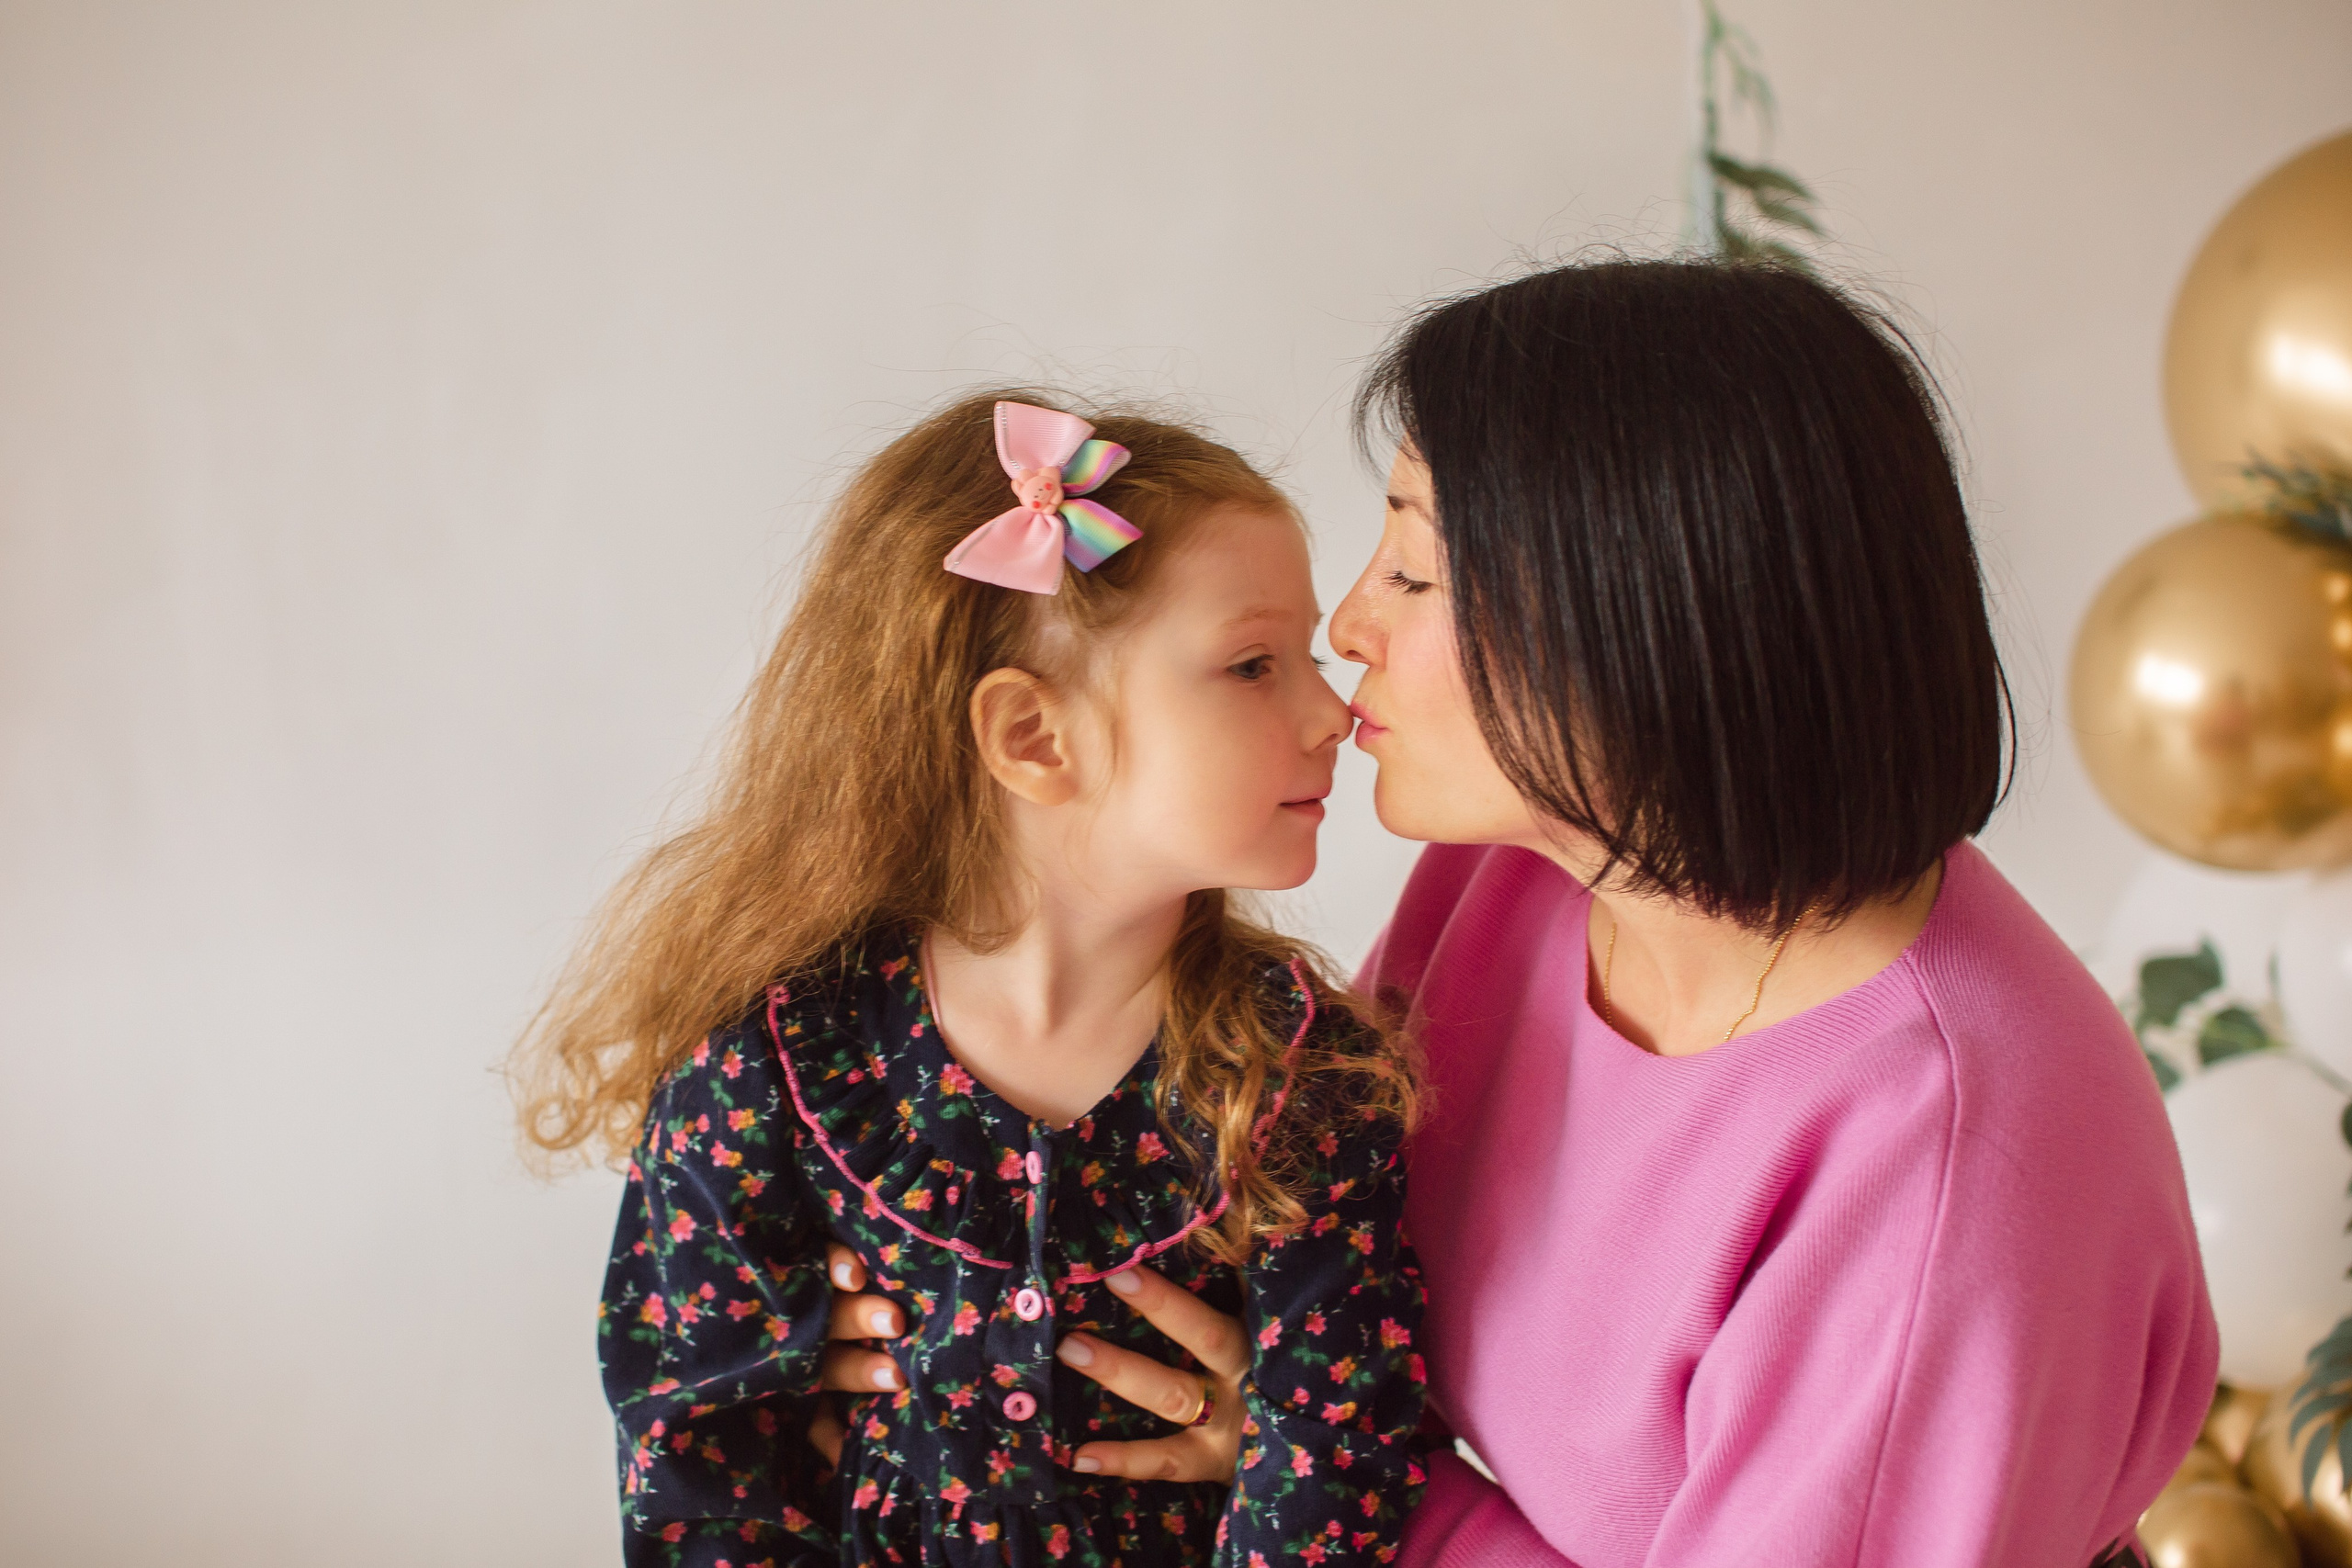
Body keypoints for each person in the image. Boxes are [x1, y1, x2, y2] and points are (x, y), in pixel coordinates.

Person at [820, 263, 2222, 1567]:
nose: (1349, 625)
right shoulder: (1525, 873)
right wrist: (931, 1309)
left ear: (1652, 620)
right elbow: (1310, 1255)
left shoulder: (1946, 1171)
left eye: (1417, 571)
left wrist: (1338, 1482)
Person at [514, 396, 1429, 1566]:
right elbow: (698, 1458)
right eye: (1253, 664)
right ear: (1034, 739)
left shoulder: (1312, 1079)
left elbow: (1336, 1464)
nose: (1331, 713)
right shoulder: (774, 1071)